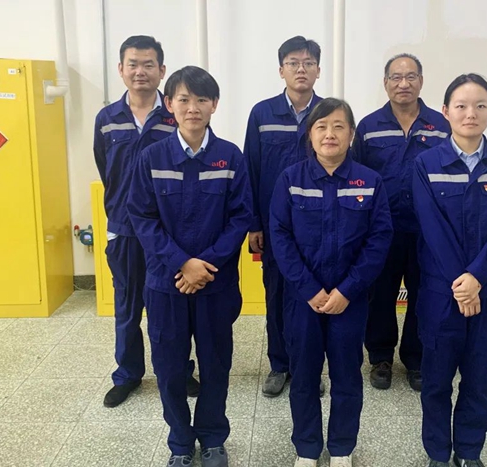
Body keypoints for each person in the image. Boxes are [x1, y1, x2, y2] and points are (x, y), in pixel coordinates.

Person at [127, 66, 252, 467]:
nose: (192, 107)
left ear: (214, 105)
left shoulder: (230, 157)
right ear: (169, 104)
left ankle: (213, 438)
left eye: (201, 99)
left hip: (215, 285)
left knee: (216, 365)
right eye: (183, 99)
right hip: (167, 284)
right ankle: (180, 443)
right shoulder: (152, 157)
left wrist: (204, 265)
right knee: (168, 368)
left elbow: (240, 217)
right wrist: (182, 262)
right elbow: (141, 217)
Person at [412, 74, 487, 467]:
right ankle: (437, 453)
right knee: (436, 382)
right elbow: (432, 229)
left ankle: (468, 452)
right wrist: (462, 285)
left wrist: (477, 278)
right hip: (440, 295)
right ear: (445, 112)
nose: (470, 113)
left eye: (480, 105)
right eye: (461, 106)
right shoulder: (426, 164)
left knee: (479, 381)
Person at [270, 98, 393, 467]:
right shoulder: (290, 180)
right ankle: (307, 449)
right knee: (303, 376)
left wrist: (347, 290)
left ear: (351, 134)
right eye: (321, 126)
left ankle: (341, 448)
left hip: (349, 300)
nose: (330, 134)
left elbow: (379, 239)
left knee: (347, 376)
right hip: (302, 299)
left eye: (339, 126)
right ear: (310, 134)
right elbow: (280, 236)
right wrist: (309, 289)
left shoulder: (369, 182)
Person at [93, 35, 199, 408]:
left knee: (170, 307)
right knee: (126, 306)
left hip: (167, 232)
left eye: (148, 64)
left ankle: (179, 371)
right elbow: (106, 170)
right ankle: (128, 374)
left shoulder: (174, 117)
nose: (140, 71)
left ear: (161, 70)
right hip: (124, 230)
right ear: (121, 69)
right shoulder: (107, 119)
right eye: (133, 64)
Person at [352, 53, 450, 392]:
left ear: (421, 81)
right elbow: (356, 178)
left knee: (424, 295)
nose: (403, 83)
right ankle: (380, 358)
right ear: (385, 83)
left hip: (427, 231)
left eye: (410, 76)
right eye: (396, 77)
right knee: (379, 295)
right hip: (382, 229)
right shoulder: (368, 127)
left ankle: (416, 359)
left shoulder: (441, 126)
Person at [244, 35, 325, 397]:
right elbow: (251, 170)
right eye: (293, 63)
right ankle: (279, 363)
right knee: (276, 296)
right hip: (274, 227)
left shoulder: (329, 114)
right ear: (281, 70)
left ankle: (310, 366)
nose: (300, 69)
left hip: (319, 228)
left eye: (308, 63)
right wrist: (253, 225)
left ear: (318, 70)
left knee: (314, 296)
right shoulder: (262, 114)